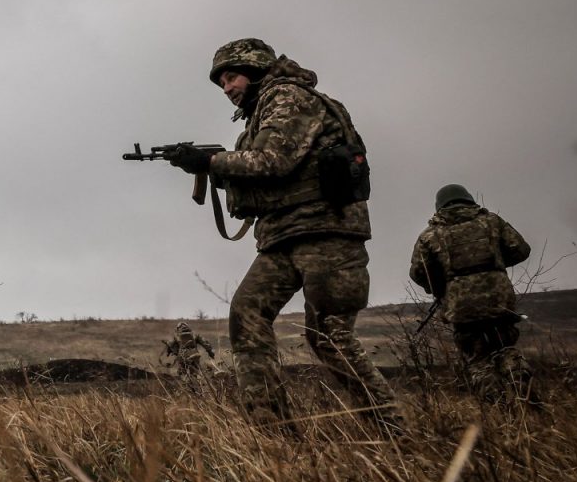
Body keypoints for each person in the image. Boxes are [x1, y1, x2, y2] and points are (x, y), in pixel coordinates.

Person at [166, 38, 401, 430]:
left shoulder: (288, 98)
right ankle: (273, 431)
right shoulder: (260, 113)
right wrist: (212, 169)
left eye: (232, 77)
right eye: (222, 82)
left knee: (329, 336)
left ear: (256, 70)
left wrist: (210, 160)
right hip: (283, 235)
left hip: (325, 231)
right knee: (247, 315)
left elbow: (274, 160)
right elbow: (264, 178)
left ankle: (391, 429)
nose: (227, 89)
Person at [409, 184, 534, 402]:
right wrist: (496, 266)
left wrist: (441, 287)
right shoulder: (492, 222)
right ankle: (525, 396)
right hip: (499, 301)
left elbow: (419, 273)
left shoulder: (430, 235)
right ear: (468, 199)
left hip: (462, 308)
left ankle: (498, 409)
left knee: (478, 359)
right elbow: (520, 249)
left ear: (440, 206)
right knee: (506, 348)